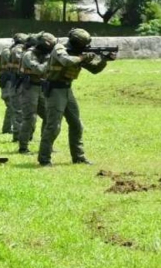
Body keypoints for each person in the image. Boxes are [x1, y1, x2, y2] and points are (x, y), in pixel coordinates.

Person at [38, 28, 114, 166]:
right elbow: (66, 61)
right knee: (53, 126)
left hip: (67, 90)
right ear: (76, 43)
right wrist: (82, 57)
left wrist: (104, 59)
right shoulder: (59, 48)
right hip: (55, 90)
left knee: (76, 124)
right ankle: (44, 159)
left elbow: (94, 69)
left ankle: (78, 157)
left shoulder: (78, 53)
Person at [17, 32, 52, 154]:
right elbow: (39, 69)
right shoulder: (28, 55)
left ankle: (46, 146)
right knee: (29, 118)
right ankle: (23, 147)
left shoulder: (43, 54)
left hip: (40, 87)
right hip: (29, 88)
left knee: (48, 116)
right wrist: (50, 59)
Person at [0, 33, 27, 138]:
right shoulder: (8, 52)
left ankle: (6, 129)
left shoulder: (10, 51)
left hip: (11, 80)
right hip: (8, 81)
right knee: (13, 106)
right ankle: (15, 131)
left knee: (11, 106)